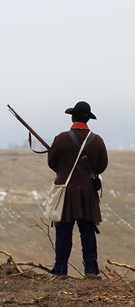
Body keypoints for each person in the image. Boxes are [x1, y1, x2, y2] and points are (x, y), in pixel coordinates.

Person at [47, 101, 108, 278]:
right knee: (88, 232)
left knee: (63, 232)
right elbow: (102, 166)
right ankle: (91, 270)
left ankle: (60, 271)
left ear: (73, 117)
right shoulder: (97, 141)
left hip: (66, 192)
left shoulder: (61, 138)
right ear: (88, 119)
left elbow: (52, 163)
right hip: (88, 192)